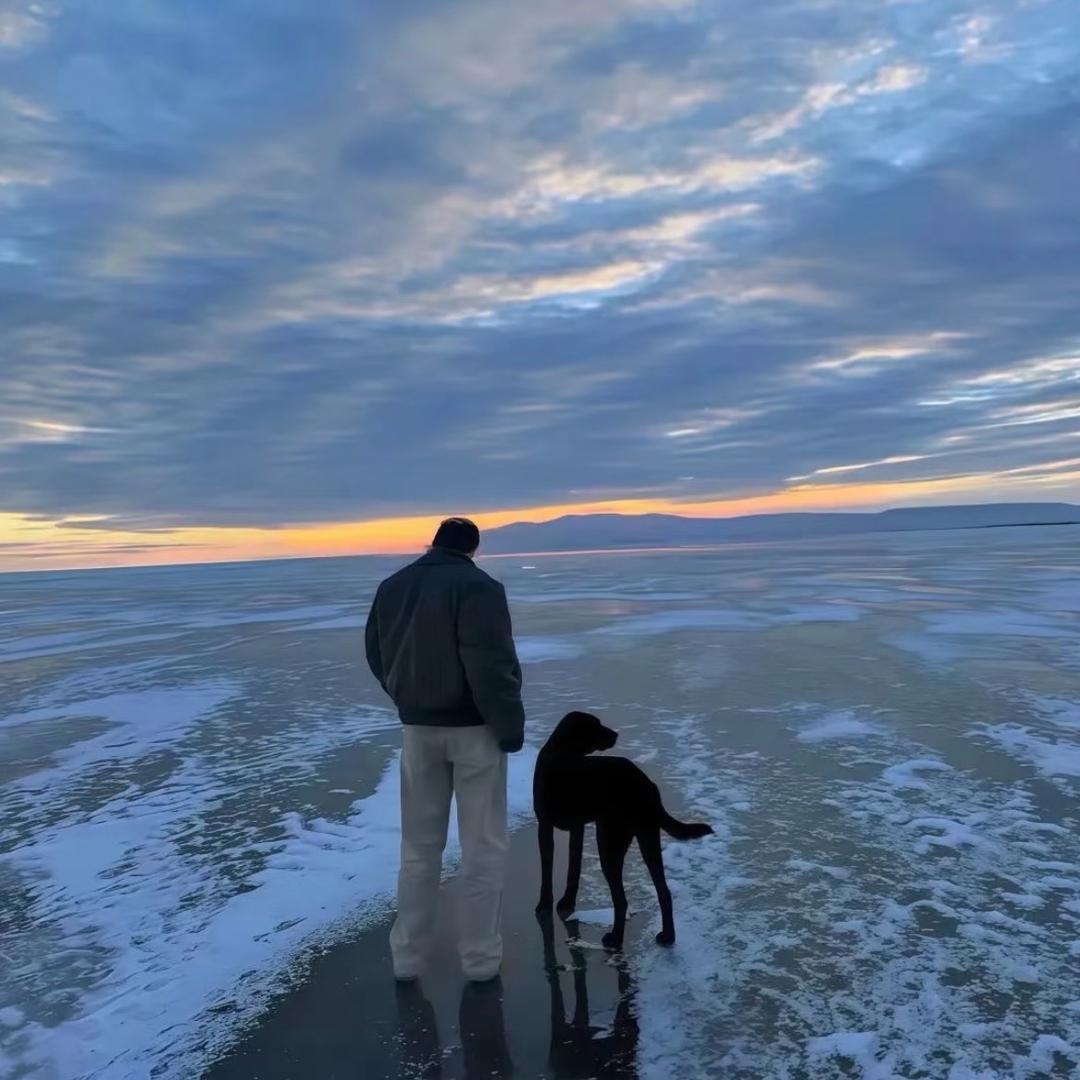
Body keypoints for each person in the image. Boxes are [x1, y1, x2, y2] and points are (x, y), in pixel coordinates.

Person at [365, 516, 525, 982]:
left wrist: (406, 696)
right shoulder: (479, 588)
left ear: (434, 543)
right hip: (474, 730)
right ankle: (479, 962)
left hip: (418, 731)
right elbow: (491, 665)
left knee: (418, 848)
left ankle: (407, 959)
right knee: (482, 847)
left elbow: (377, 653)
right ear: (473, 549)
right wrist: (508, 727)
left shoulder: (393, 586)